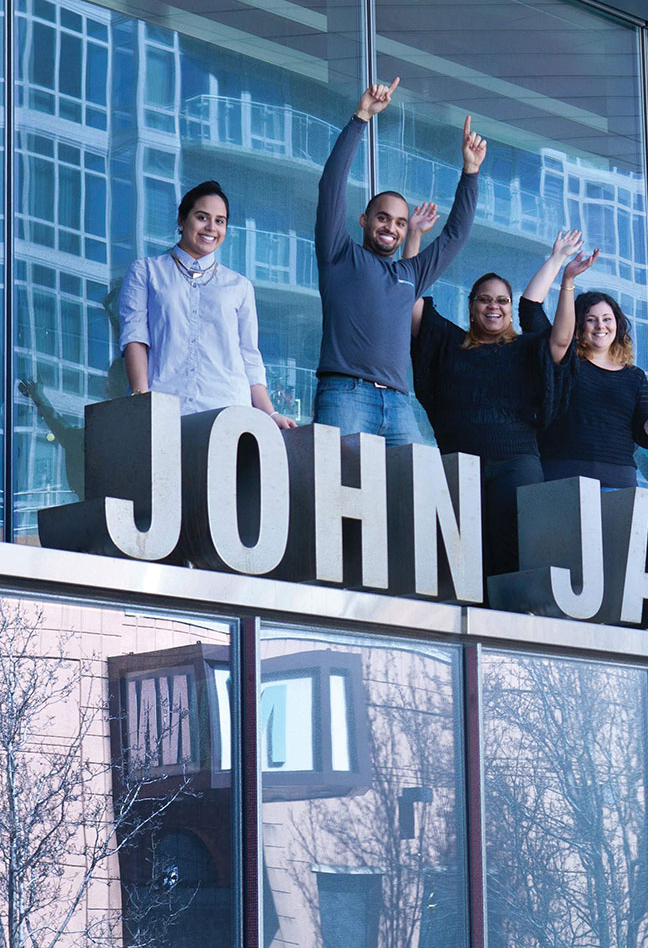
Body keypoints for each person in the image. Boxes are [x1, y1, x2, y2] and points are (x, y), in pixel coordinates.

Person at [314, 77, 486, 445]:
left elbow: (455, 237)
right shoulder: (339, 255)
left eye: (400, 222)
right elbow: (332, 183)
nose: (391, 227)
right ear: (364, 220)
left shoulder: (409, 274)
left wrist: (470, 173)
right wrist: (361, 117)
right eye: (382, 217)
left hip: (398, 404)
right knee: (334, 499)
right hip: (346, 395)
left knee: (421, 498)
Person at [409, 230, 590, 580]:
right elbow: (409, 298)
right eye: (485, 299)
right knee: (462, 559)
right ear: (472, 306)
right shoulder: (449, 342)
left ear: (510, 309)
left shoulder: (527, 348)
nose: (494, 306)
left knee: (514, 553)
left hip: (516, 465)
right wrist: (414, 238)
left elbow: (562, 340)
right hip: (461, 465)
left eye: (503, 300)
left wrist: (566, 280)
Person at [117, 180, 295, 427]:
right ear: (182, 219)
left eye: (220, 221)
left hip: (229, 410)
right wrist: (141, 398)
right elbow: (134, 337)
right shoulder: (146, 272)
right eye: (202, 217)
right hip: (166, 405)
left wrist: (270, 414)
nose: (211, 227)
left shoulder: (239, 286)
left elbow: (249, 356)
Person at [516, 252, 648, 488]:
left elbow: (646, 438)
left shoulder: (633, 376)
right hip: (563, 476)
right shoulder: (563, 360)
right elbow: (530, 309)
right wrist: (565, 275)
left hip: (619, 483)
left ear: (618, 324)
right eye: (591, 319)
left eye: (607, 319)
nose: (600, 326)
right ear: (578, 325)